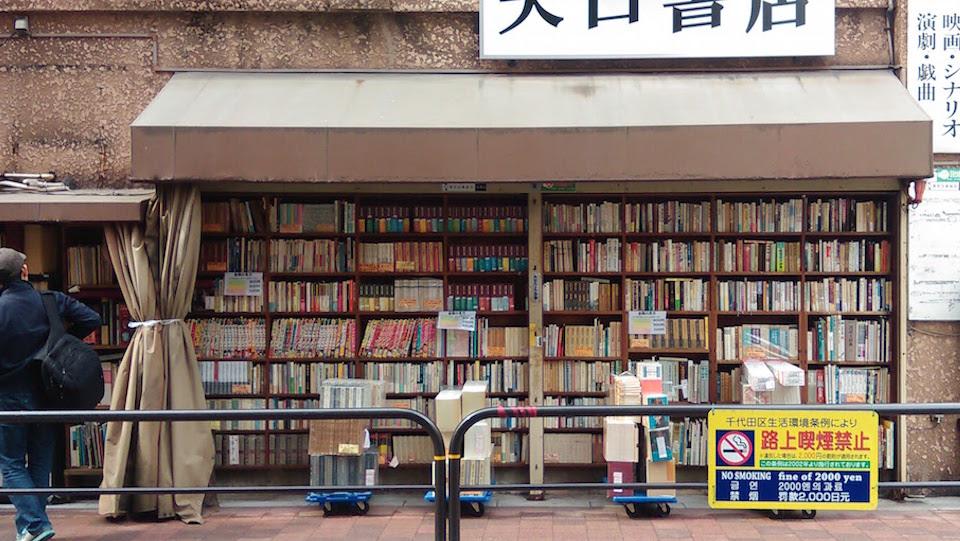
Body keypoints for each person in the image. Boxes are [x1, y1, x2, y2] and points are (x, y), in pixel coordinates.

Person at [0, 248, 101, 541]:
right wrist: (62, 343)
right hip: (48, 391)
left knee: (11, 461)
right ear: (25, 272)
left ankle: (35, 524)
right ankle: (30, 526)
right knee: (41, 459)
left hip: (7, 394)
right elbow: (92, 319)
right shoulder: (51, 300)